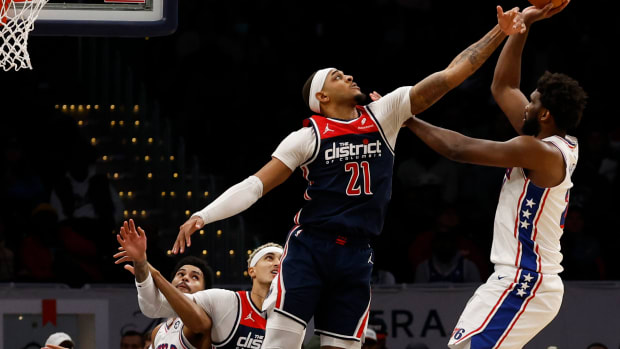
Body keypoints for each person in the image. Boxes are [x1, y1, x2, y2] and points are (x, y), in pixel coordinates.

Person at [171, 6, 526, 349]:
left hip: (357, 254)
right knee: (280, 344)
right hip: (311, 247)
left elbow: (450, 76)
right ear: (321, 97)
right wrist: (204, 215)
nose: (349, 76)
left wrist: (501, 31)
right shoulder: (307, 136)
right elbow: (255, 185)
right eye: (338, 77)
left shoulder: (383, 114)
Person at [406, 2, 587, 348]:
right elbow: (503, 87)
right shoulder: (548, 139)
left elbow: (458, 149)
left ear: (545, 114)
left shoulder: (539, 151)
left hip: (528, 280)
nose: (525, 106)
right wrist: (524, 24)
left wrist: (406, 118)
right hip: (513, 278)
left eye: (532, 102)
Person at [114, 219, 285, 349]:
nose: (185, 278)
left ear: (205, 293)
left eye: (195, 277)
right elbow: (151, 305)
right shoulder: (159, 331)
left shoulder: (207, 315)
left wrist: (147, 267)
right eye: (180, 274)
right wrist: (141, 264)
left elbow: (154, 306)